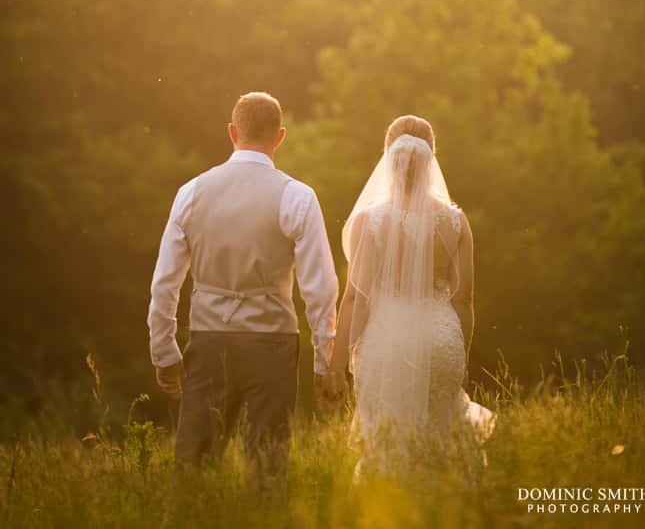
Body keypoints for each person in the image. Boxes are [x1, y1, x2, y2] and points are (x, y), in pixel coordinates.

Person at [147, 91, 340, 474]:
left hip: (208, 337)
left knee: (194, 465)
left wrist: (164, 351)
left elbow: (165, 281)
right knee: (267, 464)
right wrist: (324, 360)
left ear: (233, 132)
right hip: (272, 342)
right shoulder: (297, 197)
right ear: (280, 137)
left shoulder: (191, 192)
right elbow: (320, 287)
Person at [326, 115, 496, 476]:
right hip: (441, 340)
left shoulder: (368, 221)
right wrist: (457, 354)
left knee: (388, 443)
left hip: (387, 340)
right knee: (442, 441)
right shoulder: (455, 221)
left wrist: (336, 367)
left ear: (388, 156)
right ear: (431, 157)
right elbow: (463, 299)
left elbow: (358, 299)